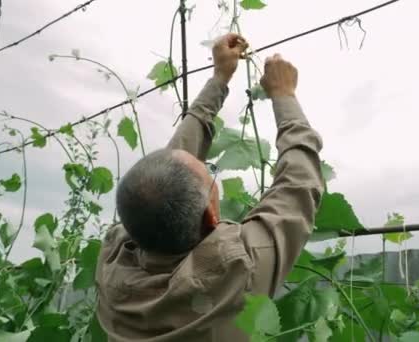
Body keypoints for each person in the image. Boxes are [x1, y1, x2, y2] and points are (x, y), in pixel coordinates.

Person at [95, 33, 324, 342]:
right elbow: (299, 183)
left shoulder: (112, 261)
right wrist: (284, 94)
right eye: (210, 176)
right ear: (211, 216)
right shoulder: (238, 268)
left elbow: (164, 177)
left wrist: (219, 78)